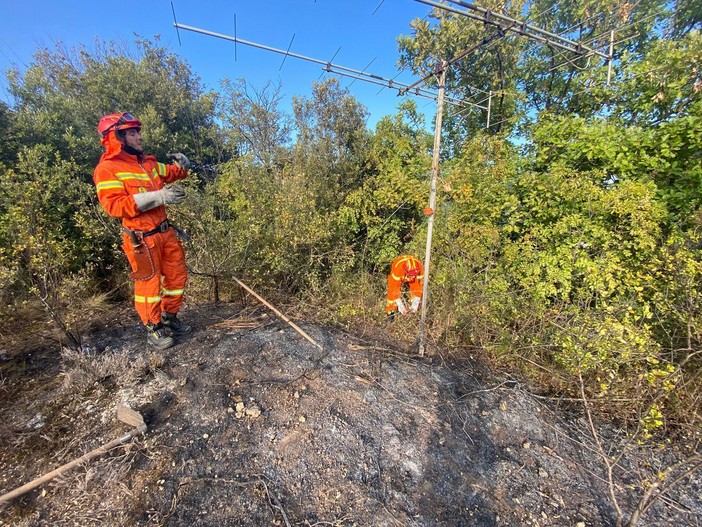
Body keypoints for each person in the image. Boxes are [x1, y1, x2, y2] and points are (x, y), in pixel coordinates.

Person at [93, 112, 192, 350]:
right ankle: (154, 328)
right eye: (133, 133)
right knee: (148, 286)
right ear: (117, 137)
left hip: (165, 233)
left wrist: (182, 166)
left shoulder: (147, 163)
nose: (139, 137)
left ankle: (170, 317)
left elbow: (171, 172)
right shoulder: (107, 169)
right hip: (141, 239)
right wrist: (158, 196)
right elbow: (115, 206)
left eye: (138, 132)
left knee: (177, 278)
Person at [386, 254, 424, 321]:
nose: (412, 278)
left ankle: (416, 315)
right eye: (410, 276)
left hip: (412, 273)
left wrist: (415, 305)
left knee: (418, 294)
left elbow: (419, 287)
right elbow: (394, 288)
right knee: (391, 294)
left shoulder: (420, 268)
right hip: (399, 273)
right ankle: (390, 314)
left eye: (413, 276)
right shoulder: (398, 269)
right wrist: (401, 306)